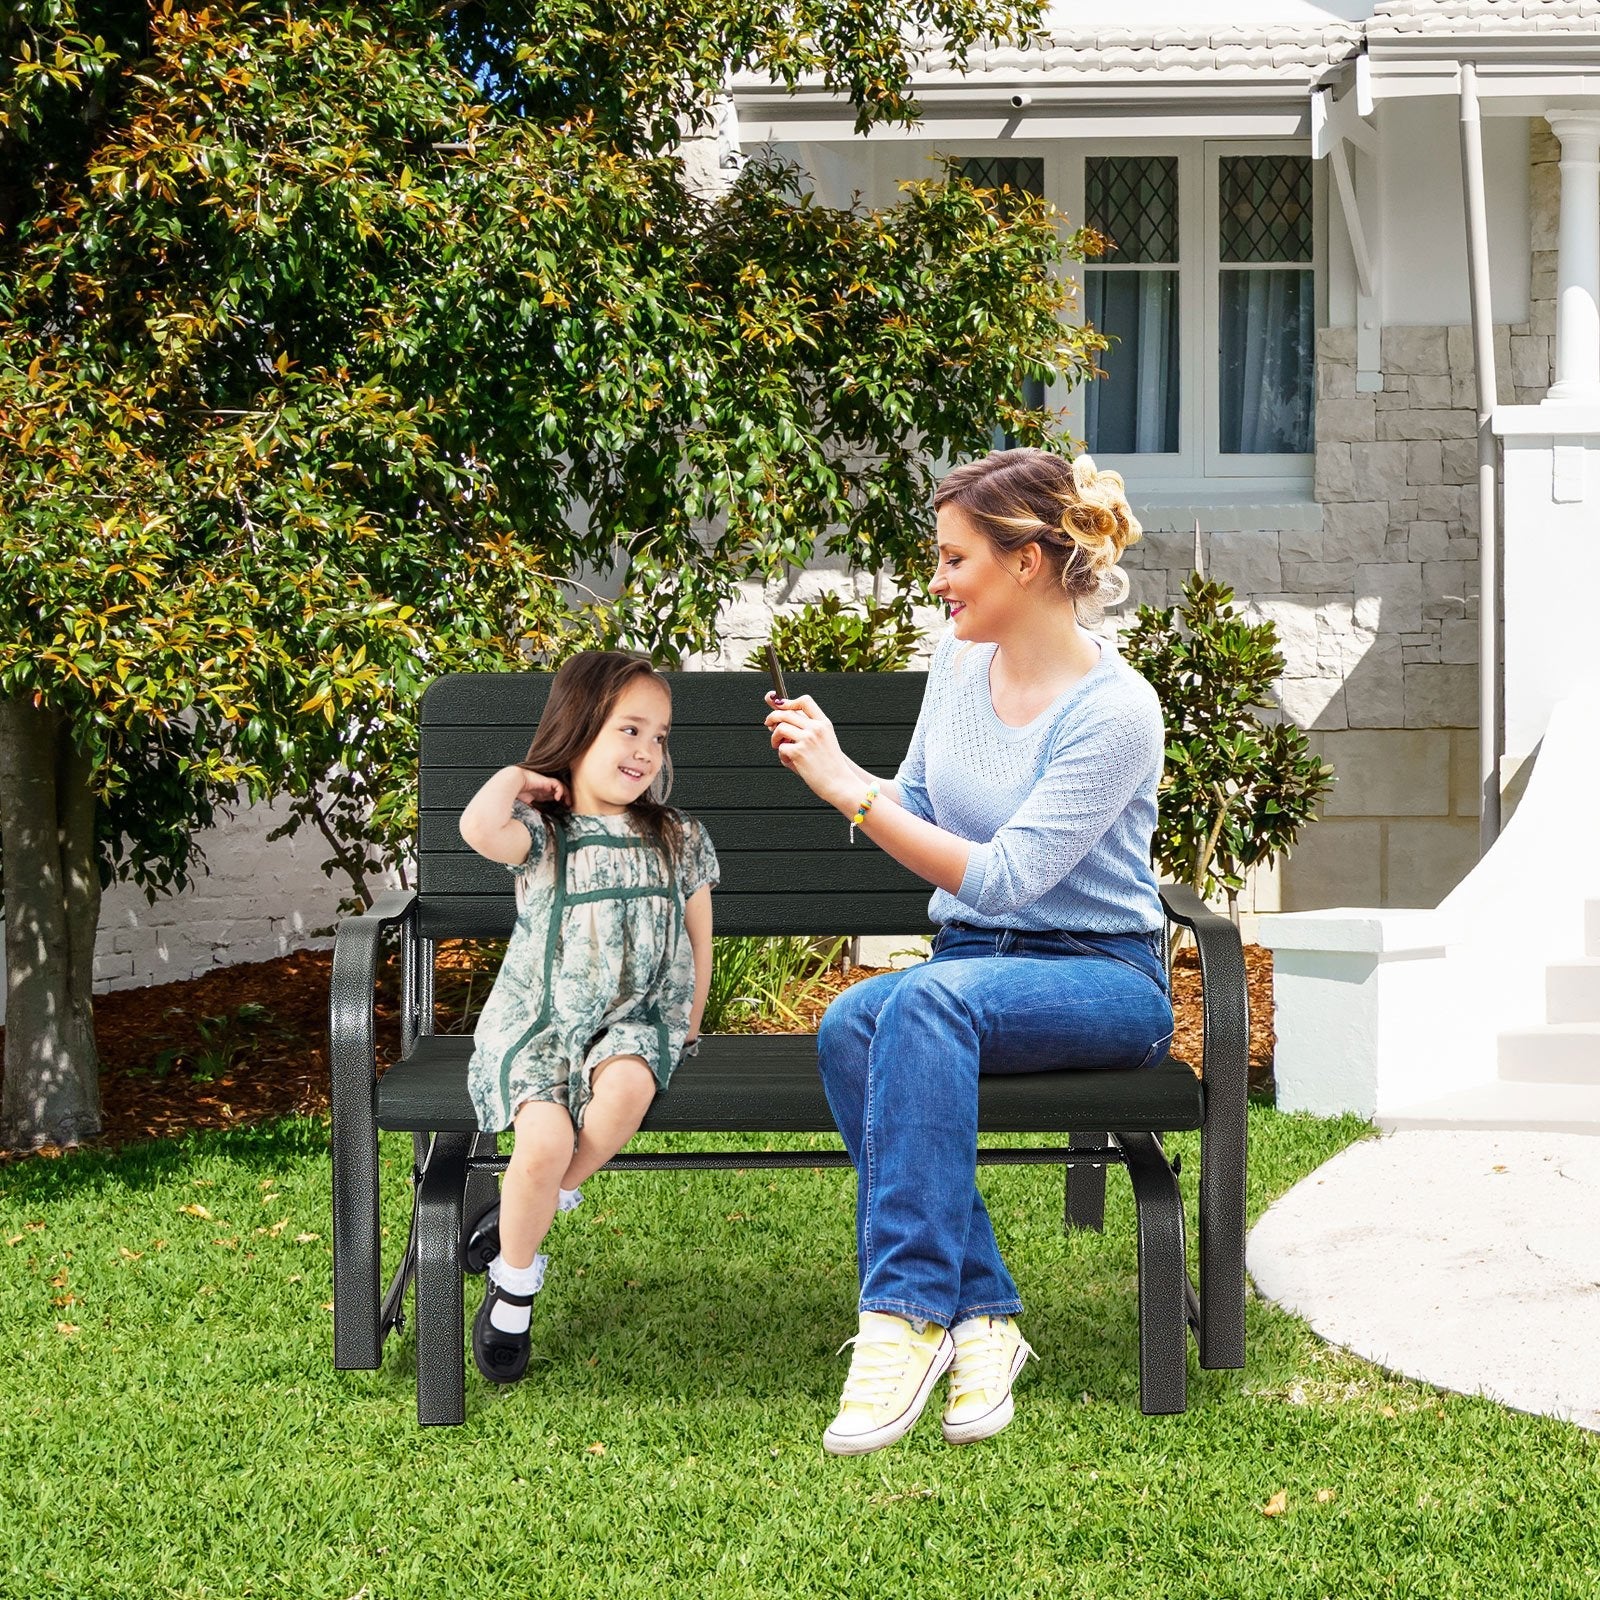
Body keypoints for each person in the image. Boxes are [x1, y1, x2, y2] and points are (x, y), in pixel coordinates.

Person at [764, 448, 1173, 1456]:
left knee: (918, 1004)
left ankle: (901, 1321)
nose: (937, 579)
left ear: (1027, 561)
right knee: (852, 1019)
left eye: (954, 558)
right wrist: (847, 768)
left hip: (1099, 975)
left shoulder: (1115, 711)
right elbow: (923, 806)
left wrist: (845, 793)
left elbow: (998, 877)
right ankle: (982, 1318)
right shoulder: (956, 664)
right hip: (971, 967)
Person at [458, 650, 718, 1385]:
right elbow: (479, 829)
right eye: (629, 729)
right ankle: (514, 1283)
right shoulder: (542, 834)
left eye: (659, 736)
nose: (646, 750)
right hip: (542, 1024)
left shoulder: (678, 836)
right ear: (578, 729)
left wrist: (690, 1016)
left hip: (637, 1020)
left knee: (629, 1088)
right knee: (541, 1139)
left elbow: (699, 932)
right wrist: (517, 779)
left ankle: (543, 1200)